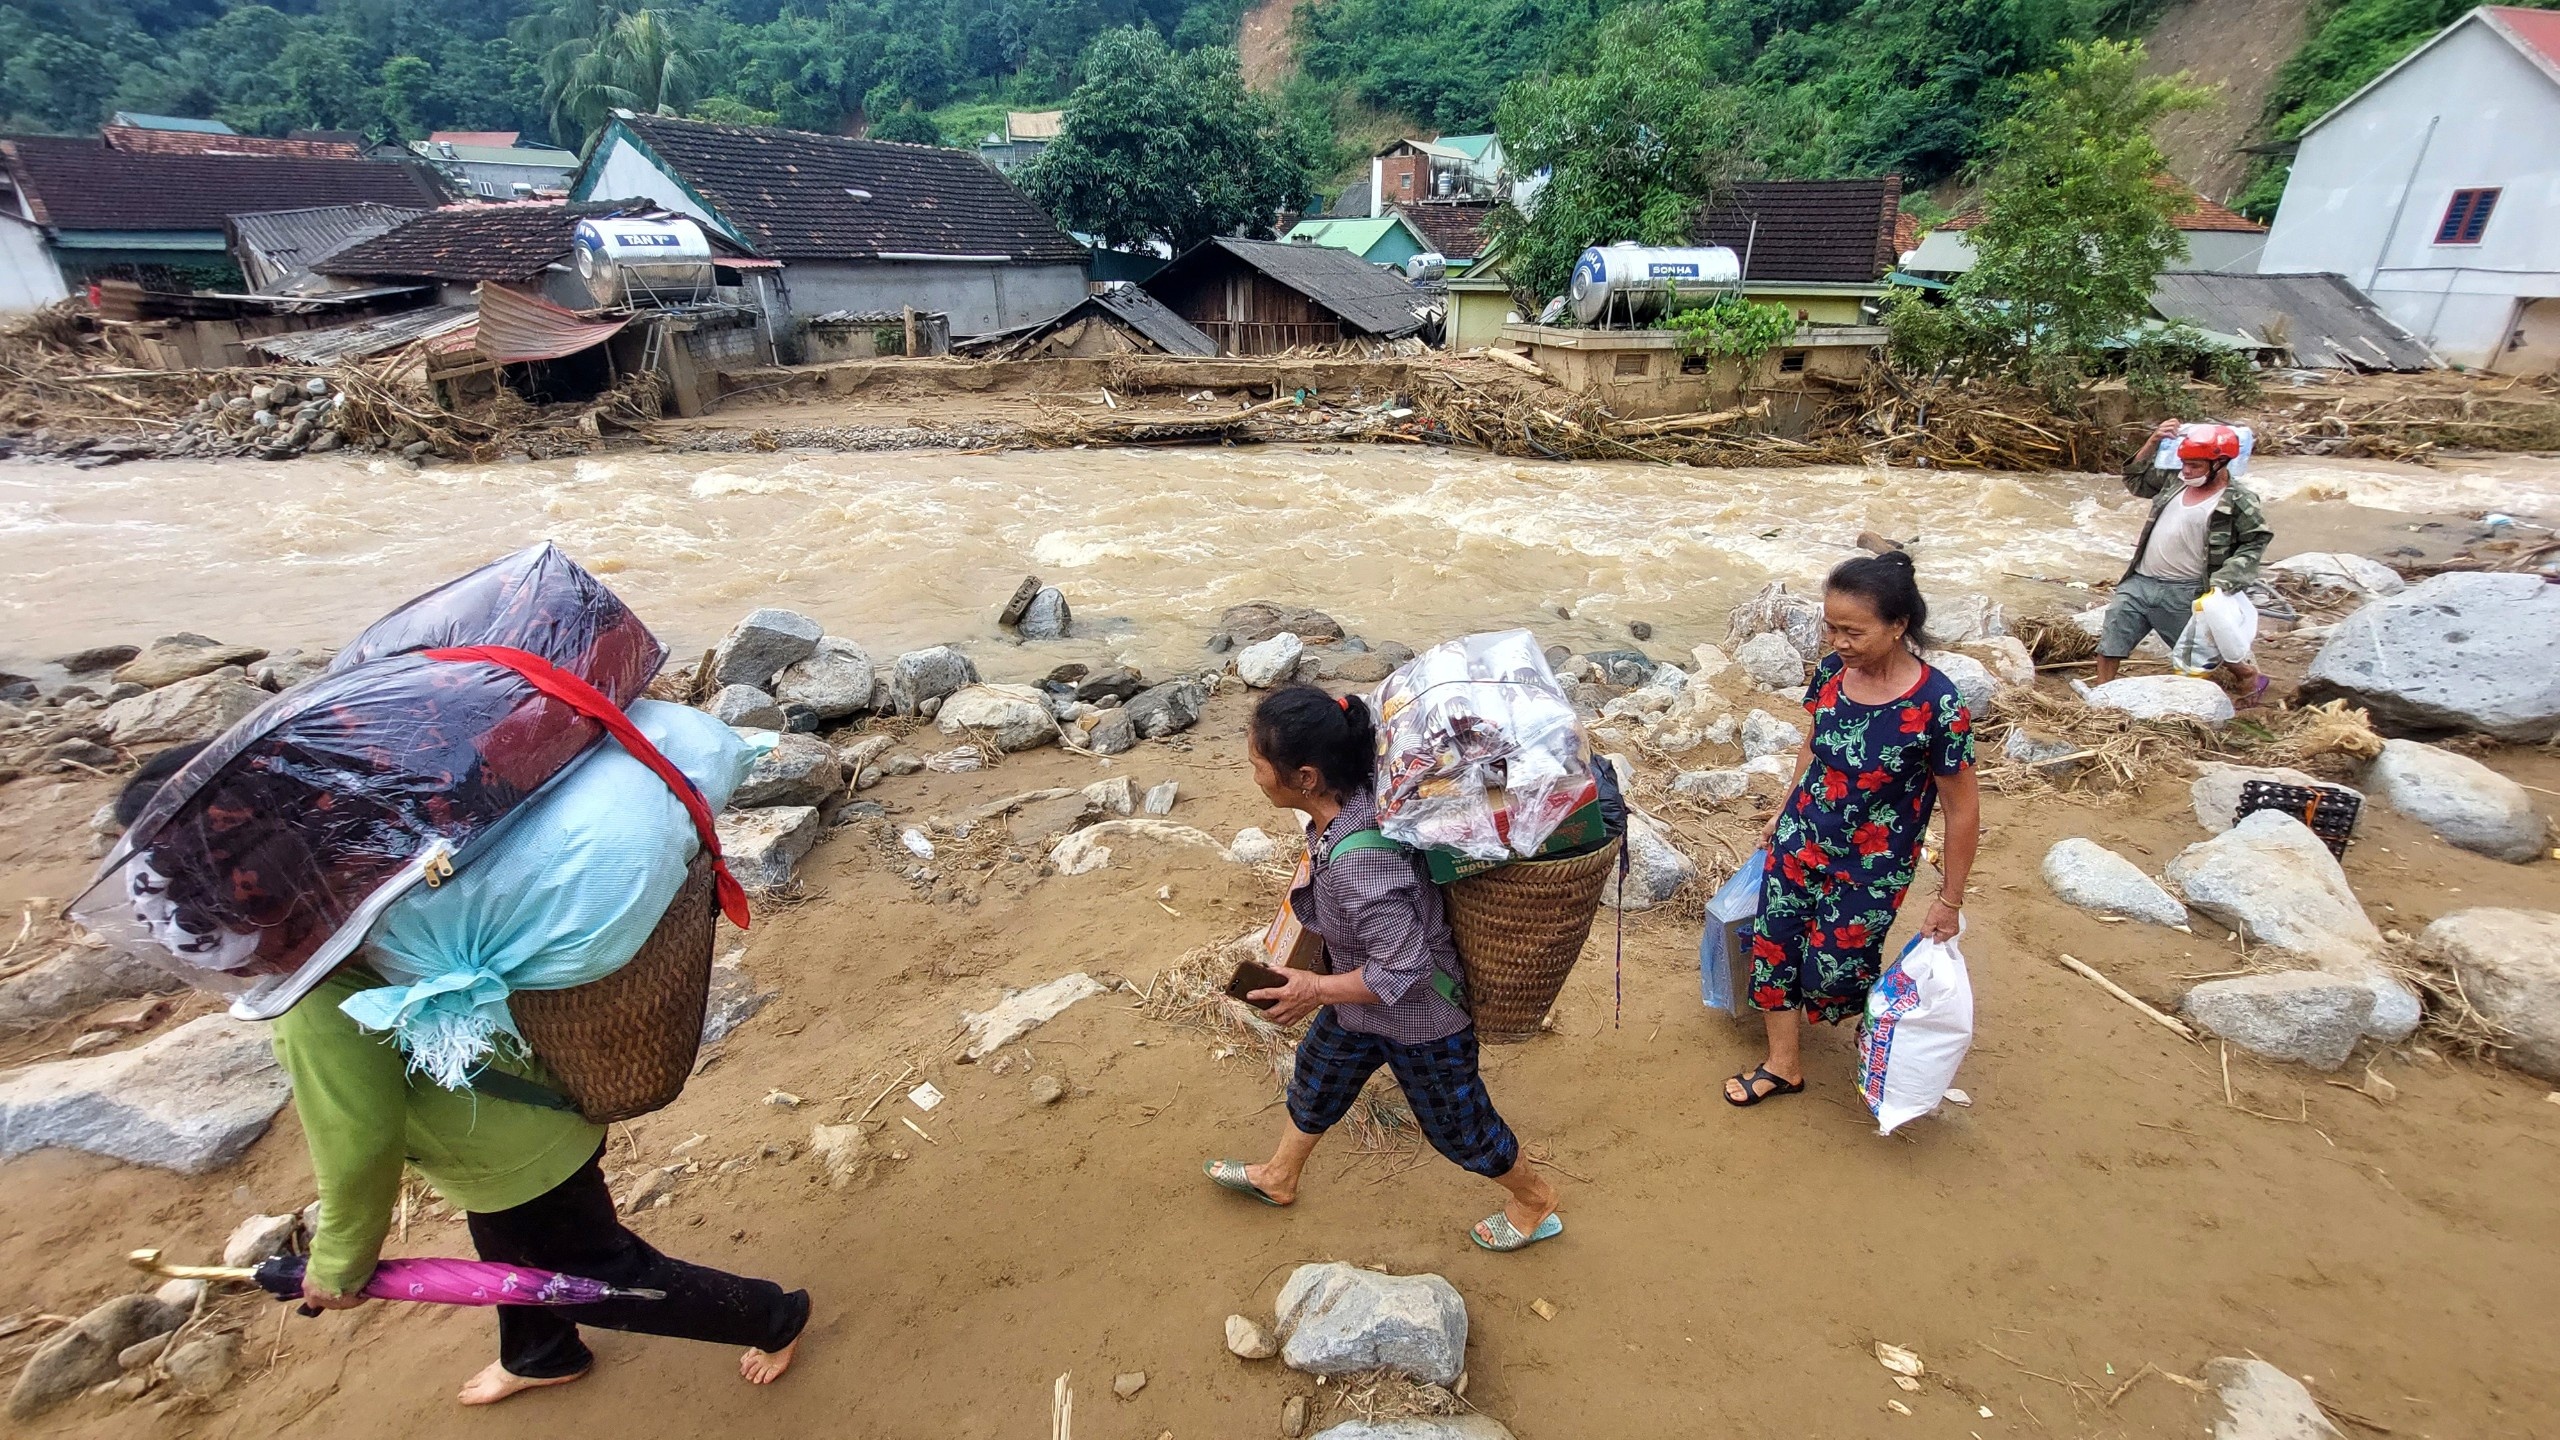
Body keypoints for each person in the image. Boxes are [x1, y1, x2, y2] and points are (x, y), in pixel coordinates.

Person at [117, 769, 812, 1408]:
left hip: (517, 1157)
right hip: (533, 1110)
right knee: (509, 1250)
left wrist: (337, 1264)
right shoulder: (372, 892)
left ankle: (771, 1314)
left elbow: (359, 1146)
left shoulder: (311, 1004)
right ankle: (539, 1353)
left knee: (597, 1281)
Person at [1201, 686, 1564, 1252]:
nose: (1253, 774)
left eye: (1256, 764)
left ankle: (1535, 1200)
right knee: (1319, 1076)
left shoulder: (1362, 860)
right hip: (1358, 1004)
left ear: (1304, 778)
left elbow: (1406, 968)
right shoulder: (1357, 800)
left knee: (1458, 1126)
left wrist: (1315, 988)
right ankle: (1279, 1177)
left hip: (1421, 1019)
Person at [1726, 552, 1981, 1107]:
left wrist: (1950, 898)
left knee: (1833, 973)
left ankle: (1873, 1032)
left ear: (1898, 626)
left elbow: (1962, 809)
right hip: (1800, 840)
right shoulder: (1829, 676)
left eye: (1853, 631)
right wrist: (1782, 810)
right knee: (1774, 950)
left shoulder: (1937, 705)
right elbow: (1811, 747)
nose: (1838, 641)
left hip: (1873, 867)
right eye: (1830, 627)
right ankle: (1782, 1065)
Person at [2095, 420, 2273, 701]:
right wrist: (2152, 442)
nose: (2187, 471)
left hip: (2185, 589)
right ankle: (2101, 696)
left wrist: (2227, 580)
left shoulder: (2238, 500)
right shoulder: (2174, 482)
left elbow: (2255, 542)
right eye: (2184, 463)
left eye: (2196, 466)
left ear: (2220, 464)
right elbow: (2136, 481)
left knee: (2201, 651)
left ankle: (2246, 674)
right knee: (2112, 635)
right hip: (2140, 580)